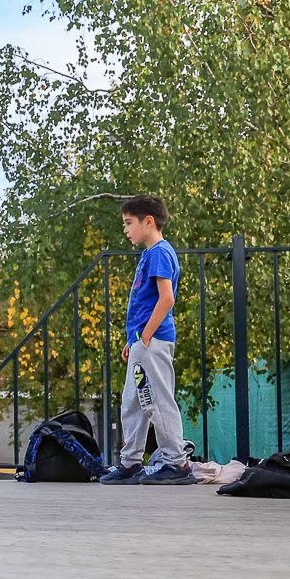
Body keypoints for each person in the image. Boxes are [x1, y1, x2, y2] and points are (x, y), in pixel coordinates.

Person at [100, 195, 189, 484]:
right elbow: (145, 303)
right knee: (133, 402)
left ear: (148, 222)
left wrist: (146, 335)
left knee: (157, 401)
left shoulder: (160, 252)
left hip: (153, 342)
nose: (125, 230)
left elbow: (166, 299)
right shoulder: (149, 255)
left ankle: (177, 464)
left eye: (128, 223)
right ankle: (131, 462)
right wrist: (133, 339)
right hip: (142, 342)